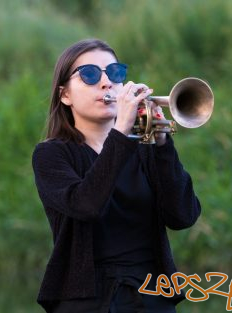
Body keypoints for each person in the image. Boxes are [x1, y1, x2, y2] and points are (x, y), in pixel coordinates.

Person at [32, 38, 202, 313]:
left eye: (114, 73)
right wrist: (121, 131)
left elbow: (183, 216)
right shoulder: (51, 155)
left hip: (151, 296)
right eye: (89, 75)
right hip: (86, 301)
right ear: (64, 95)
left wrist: (161, 144)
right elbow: (86, 205)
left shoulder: (144, 150)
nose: (105, 83)